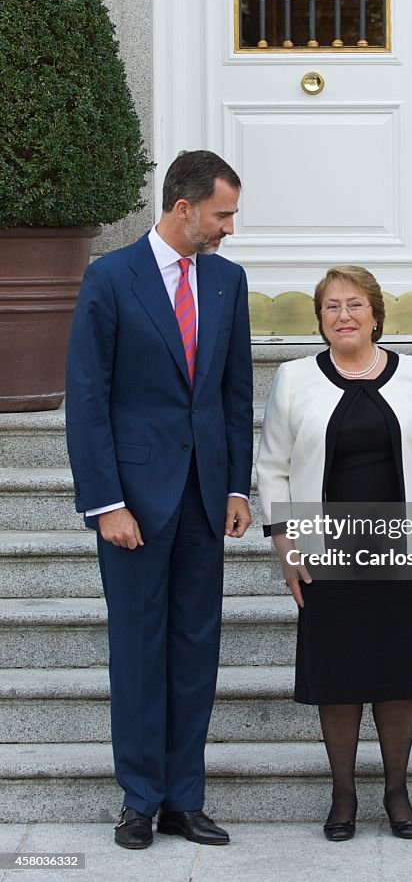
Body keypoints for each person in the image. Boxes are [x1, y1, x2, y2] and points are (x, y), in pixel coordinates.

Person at [65, 150, 253, 849]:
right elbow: (86, 400)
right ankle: (139, 799)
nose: (229, 228)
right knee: (138, 651)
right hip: (134, 505)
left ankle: (183, 799)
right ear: (183, 209)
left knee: (195, 649)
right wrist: (106, 501)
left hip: (205, 498)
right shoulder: (109, 279)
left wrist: (236, 485)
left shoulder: (229, 282)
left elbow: (235, 395)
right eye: (222, 214)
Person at [256, 266, 412, 842]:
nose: (344, 316)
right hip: (327, 552)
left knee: (397, 673)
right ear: (319, 320)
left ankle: (397, 791)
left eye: (355, 304)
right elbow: (272, 465)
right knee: (338, 676)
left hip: (401, 547)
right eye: (331, 307)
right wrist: (283, 542)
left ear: (376, 313)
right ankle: (343, 794)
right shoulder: (294, 379)